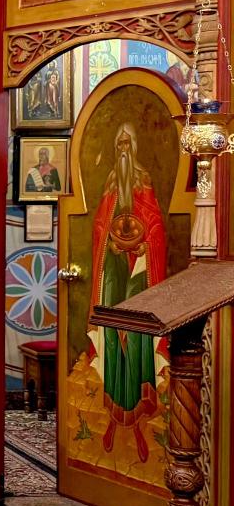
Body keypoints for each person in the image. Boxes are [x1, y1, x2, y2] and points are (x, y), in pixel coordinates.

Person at [90, 123, 167, 464]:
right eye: (118, 144)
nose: (123, 149)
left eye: (127, 143)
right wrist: (109, 245)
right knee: (111, 340)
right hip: (113, 274)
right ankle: (113, 417)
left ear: (134, 146)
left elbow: (156, 228)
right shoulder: (111, 184)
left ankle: (137, 422)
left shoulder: (143, 182)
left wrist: (144, 246)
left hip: (139, 274)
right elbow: (99, 228)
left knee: (136, 341)